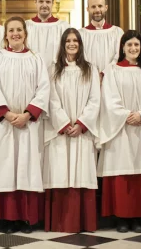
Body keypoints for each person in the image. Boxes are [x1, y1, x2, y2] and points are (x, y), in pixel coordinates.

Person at [0, 16, 50, 234]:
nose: (15, 33)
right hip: (4, 124)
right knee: (4, 168)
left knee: (26, 168)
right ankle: (6, 218)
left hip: (27, 124)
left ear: (25, 33)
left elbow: (44, 88)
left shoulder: (36, 58)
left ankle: (25, 218)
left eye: (19, 29)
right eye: (11, 30)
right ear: (6, 34)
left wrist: (28, 114)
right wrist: (8, 114)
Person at [98, 30, 141, 233]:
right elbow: (108, 97)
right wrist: (126, 114)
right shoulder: (113, 70)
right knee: (122, 173)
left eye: (137, 45)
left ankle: (138, 218)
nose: (133, 49)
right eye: (129, 45)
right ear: (122, 48)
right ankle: (121, 218)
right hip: (121, 129)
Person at [43, 28, 100, 233]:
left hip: (81, 132)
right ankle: (60, 223)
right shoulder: (53, 69)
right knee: (60, 172)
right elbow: (51, 99)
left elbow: (95, 99)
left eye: (75, 40)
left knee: (81, 172)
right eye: (68, 41)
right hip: (61, 131)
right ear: (62, 44)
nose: (72, 44)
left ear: (80, 44)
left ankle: (82, 222)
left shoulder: (90, 69)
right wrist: (64, 123)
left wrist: (82, 124)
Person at [79, 0, 124, 73]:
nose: (97, 10)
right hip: (89, 77)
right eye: (93, 7)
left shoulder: (117, 32)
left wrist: (104, 73)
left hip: (112, 76)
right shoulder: (81, 34)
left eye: (100, 6)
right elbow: (82, 58)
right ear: (87, 9)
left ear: (106, 7)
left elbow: (119, 56)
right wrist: (95, 75)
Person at [26, 0, 70, 68]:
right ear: (35, 2)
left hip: (56, 73)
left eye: (48, 2)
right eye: (41, 1)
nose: (44, 5)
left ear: (52, 3)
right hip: (32, 71)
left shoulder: (63, 27)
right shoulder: (26, 26)